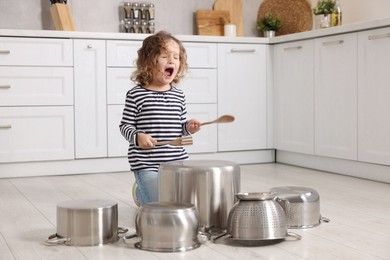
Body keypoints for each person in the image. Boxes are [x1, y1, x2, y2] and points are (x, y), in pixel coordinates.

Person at [119, 31, 201, 206]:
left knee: (185, 200)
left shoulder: (179, 95)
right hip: (147, 164)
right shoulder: (136, 94)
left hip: (176, 161)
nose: (172, 61)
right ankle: (140, 192)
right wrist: (137, 136)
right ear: (148, 62)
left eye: (176, 57)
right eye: (165, 56)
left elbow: (179, 127)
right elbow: (125, 125)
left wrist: (189, 127)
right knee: (160, 204)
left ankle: (148, 192)